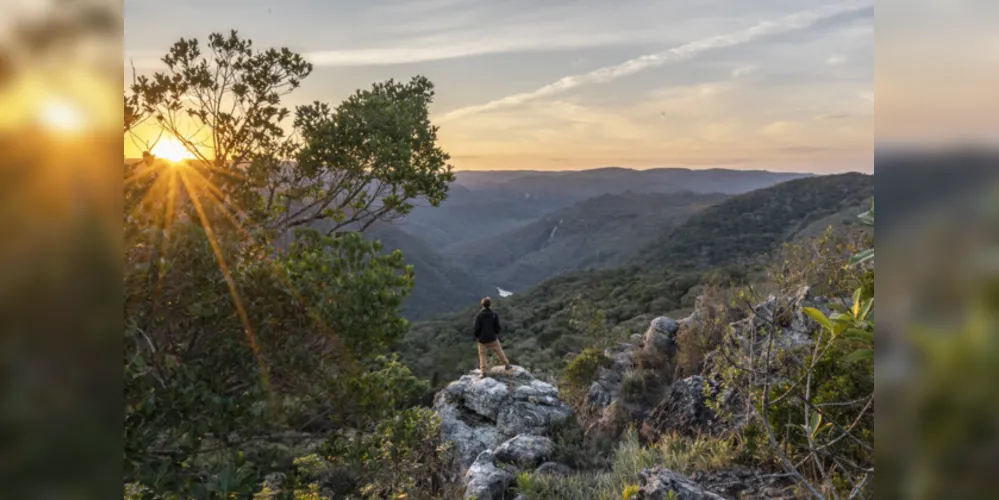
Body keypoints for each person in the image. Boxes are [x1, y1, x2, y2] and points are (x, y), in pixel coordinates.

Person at [473, 297, 511, 373]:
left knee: (482, 355)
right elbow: (497, 326)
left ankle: (483, 371)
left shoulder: (479, 316)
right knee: (499, 351)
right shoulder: (494, 314)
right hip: (492, 337)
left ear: (482, 305)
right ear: (490, 304)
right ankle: (507, 364)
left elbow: (476, 328)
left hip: (482, 339)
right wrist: (495, 333)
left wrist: (478, 336)